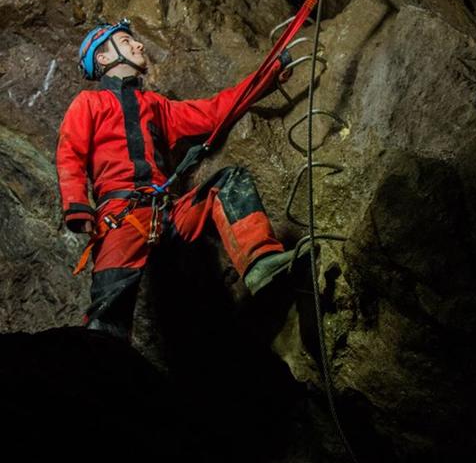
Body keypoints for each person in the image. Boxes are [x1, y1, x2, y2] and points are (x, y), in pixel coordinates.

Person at [55, 19, 299, 343]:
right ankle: (102, 370)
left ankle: (261, 262)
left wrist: (266, 77)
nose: (139, 45)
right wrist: (77, 206)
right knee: (108, 312)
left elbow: (214, 113)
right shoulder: (88, 103)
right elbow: (70, 152)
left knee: (227, 182)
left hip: (169, 214)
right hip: (121, 216)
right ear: (103, 57)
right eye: (127, 42)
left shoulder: (156, 106)